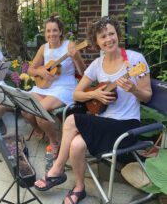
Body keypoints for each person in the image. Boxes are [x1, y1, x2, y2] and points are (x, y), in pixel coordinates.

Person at [34, 16, 152, 204]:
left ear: (118, 35)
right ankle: (80, 188)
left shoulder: (135, 61)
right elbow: (76, 94)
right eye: (103, 36)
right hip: (105, 121)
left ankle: (56, 170)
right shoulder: (98, 64)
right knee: (76, 144)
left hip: (127, 126)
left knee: (72, 120)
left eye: (111, 34)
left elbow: (147, 95)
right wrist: (95, 95)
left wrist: (134, 89)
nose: (108, 39)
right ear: (97, 42)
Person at [23, 13, 86, 157]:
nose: (52, 34)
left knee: (40, 111)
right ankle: (39, 130)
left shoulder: (69, 45)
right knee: (24, 106)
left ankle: (54, 141)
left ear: (61, 31)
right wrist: (41, 71)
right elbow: (30, 70)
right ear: (45, 33)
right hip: (45, 86)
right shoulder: (43, 48)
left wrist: (75, 57)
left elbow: (83, 72)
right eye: (48, 31)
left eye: (55, 30)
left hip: (64, 87)